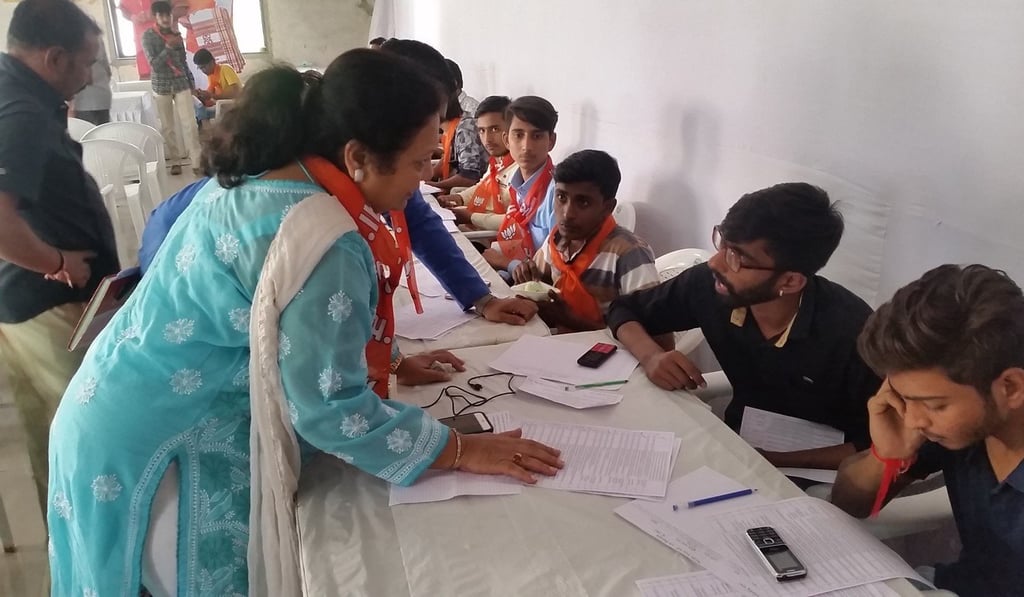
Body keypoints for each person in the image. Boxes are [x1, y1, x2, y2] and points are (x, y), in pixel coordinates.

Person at [48, 50, 563, 596]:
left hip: (110, 412)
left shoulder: (265, 177)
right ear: (358, 155)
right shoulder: (327, 238)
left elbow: (274, 318)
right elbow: (327, 409)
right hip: (165, 449)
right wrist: (459, 450)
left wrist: (383, 360)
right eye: (418, 161)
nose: (427, 176)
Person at [607, 183, 879, 470]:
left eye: (737, 257)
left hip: (820, 473)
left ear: (790, 281)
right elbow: (624, 309)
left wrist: (772, 461)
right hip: (737, 446)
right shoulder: (712, 287)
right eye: (722, 242)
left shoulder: (853, 334)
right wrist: (651, 356)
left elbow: (890, 445)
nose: (715, 262)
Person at [832, 264, 1024, 597]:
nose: (914, 419)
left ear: (1010, 387)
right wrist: (886, 455)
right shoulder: (965, 426)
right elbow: (849, 505)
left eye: (933, 405)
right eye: (904, 398)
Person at [0, 0, 118, 512]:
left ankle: (68, 561)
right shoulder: (21, 113)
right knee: (82, 432)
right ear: (53, 57)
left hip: (24, 300)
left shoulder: (15, 93)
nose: (90, 75)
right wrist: (55, 262)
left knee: (51, 433)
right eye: (86, 62)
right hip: (47, 301)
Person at [512, 150, 658, 332]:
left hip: (605, 354)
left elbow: (656, 339)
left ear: (607, 208)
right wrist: (528, 275)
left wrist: (571, 321)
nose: (567, 213)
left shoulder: (629, 254)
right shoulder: (557, 240)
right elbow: (540, 280)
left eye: (583, 203)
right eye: (561, 197)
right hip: (558, 341)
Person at [482, 95, 559, 281]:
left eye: (537, 136)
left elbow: (556, 266)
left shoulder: (559, 194)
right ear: (506, 140)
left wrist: (505, 263)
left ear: (551, 141)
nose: (526, 146)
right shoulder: (516, 184)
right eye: (518, 135)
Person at [142, 0, 203, 176]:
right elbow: (154, 64)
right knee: (168, 127)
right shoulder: (148, 36)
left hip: (180, 83)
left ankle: (196, 162)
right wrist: (168, 47)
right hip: (161, 85)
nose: (165, 18)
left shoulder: (177, 33)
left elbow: (183, 62)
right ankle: (175, 161)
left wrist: (192, 84)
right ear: (155, 17)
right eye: (161, 15)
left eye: (168, 14)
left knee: (190, 124)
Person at [438, 95, 517, 228]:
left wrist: (470, 217)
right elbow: (483, 187)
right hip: (479, 225)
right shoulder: (498, 162)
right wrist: (460, 198)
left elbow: (516, 220)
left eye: (494, 129)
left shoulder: (520, 169)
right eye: (482, 130)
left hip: (495, 237)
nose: (487, 139)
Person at [192, 47, 241, 122]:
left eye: (204, 67)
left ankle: (206, 129)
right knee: (197, 109)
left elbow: (235, 92)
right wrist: (201, 96)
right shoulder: (211, 75)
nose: (203, 71)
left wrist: (211, 96)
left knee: (201, 114)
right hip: (221, 106)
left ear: (212, 62)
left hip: (234, 106)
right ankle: (205, 128)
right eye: (200, 68)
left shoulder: (225, 69)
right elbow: (210, 97)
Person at [70, 41, 112, 125]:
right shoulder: (95, 37)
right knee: (102, 133)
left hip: (85, 100)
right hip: (102, 96)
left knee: (86, 134)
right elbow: (108, 72)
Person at [119, 0, 155, 79]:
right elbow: (122, 7)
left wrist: (151, 13)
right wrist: (132, 16)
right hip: (140, 41)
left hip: (160, 37)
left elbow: (168, 6)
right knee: (145, 75)